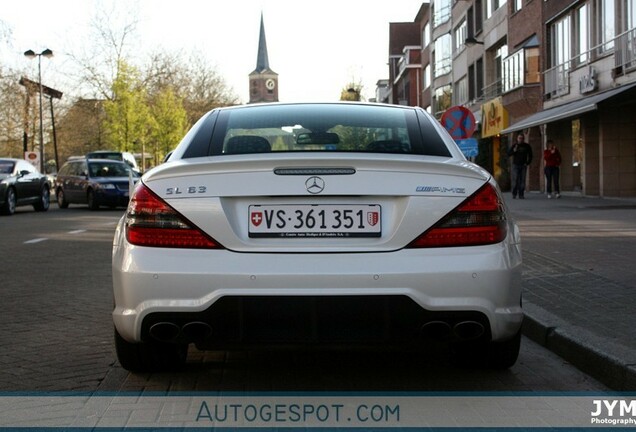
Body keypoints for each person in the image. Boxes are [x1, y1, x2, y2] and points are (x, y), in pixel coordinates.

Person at [508, 133, 533, 199]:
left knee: (522, 180)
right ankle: (514, 193)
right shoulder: (515, 146)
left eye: (522, 138)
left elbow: (530, 155)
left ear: (523, 139)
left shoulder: (527, 146)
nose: (520, 139)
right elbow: (509, 154)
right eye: (519, 138)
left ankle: (521, 194)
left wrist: (527, 163)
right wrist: (514, 151)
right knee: (515, 180)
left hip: (523, 165)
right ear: (517, 139)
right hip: (515, 165)